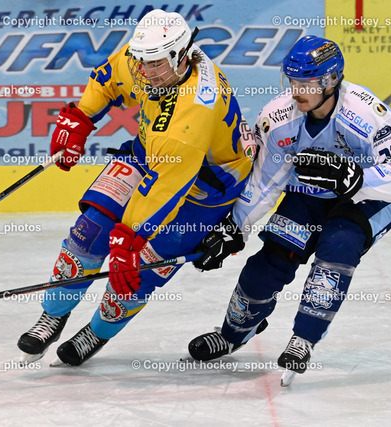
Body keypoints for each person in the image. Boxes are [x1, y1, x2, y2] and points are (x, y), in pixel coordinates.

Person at [17, 9, 252, 366]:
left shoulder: (193, 111)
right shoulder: (150, 58)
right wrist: (81, 117)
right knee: (91, 229)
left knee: (137, 270)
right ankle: (55, 313)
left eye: (152, 64)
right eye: (140, 61)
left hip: (204, 187)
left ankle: (97, 331)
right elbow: (109, 78)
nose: (143, 71)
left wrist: (129, 239)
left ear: (180, 56)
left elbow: (164, 189)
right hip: (149, 154)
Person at [187, 35, 391, 384]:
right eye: (292, 81)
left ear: (331, 81)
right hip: (310, 196)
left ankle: (303, 338)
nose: (296, 91)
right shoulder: (279, 116)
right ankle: (234, 333)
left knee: (336, 249)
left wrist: (357, 179)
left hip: (373, 197)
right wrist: (233, 228)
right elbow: (265, 183)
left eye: (306, 83)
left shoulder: (366, 112)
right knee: (269, 262)